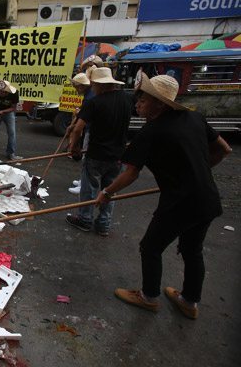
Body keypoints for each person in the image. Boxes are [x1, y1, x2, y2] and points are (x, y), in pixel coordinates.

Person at [96, 73, 231, 319]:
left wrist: (106, 192)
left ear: (160, 104)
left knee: (150, 247)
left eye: (144, 100)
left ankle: (149, 297)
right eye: (138, 99)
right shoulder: (194, 117)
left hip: (180, 203)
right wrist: (198, 171)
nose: (138, 104)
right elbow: (224, 149)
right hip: (207, 199)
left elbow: (130, 174)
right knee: (193, 250)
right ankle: (189, 302)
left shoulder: (152, 131)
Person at [65, 67, 133, 236]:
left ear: (97, 84)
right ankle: (103, 224)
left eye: (93, 84)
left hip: (96, 154)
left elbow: (78, 129)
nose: (92, 87)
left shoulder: (95, 102)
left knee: (89, 189)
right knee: (109, 191)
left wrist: (74, 149)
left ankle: (85, 220)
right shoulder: (127, 99)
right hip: (118, 155)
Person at [67, 71, 93, 195]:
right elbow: (82, 113)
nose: (75, 90)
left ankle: (84, 185)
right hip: (89, 128)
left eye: (76, 87)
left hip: (91, 130)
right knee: (85, 157)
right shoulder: (88, 95)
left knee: (86, 157)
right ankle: (83, 180)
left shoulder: (89, 97)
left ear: (82, 86)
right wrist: (72, 125)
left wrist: (73, 146)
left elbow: (79, 128)